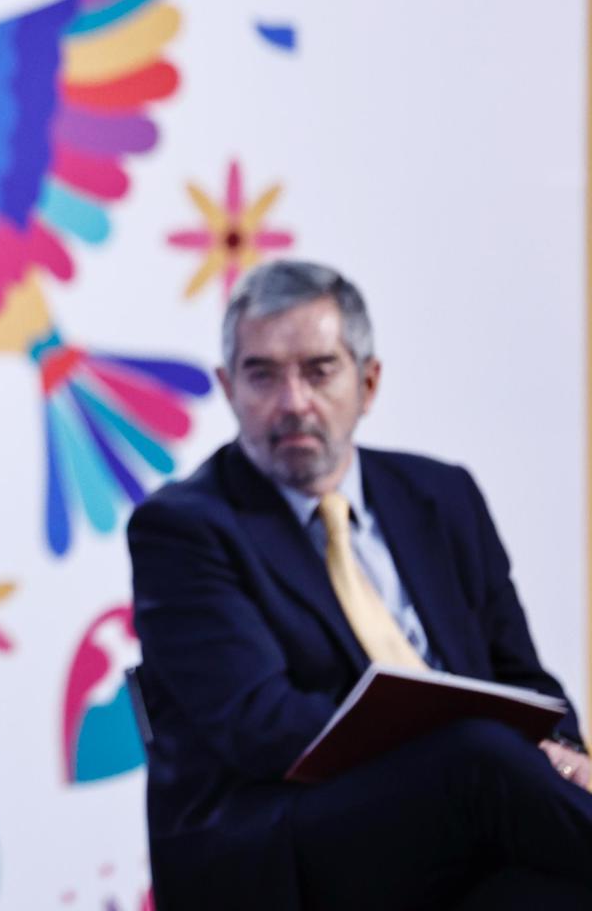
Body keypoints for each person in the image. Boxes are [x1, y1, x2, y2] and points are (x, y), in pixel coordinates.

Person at [129, 259, 592, 910]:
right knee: (479, 758)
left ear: (368, 383)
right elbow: (262, 727)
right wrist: (469, 745)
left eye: (319, 370)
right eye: (262, 375)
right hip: (280, 840)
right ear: (228, 388)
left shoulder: (441, 495)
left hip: (462, 824)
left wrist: (565, 753)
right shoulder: (183, 528)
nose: (293, 402)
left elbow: (524, 678)